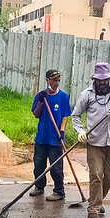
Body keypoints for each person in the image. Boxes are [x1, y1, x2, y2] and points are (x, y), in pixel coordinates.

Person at [71, 62, 110, 218]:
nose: (103, 83)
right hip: (94, 142)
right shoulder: (87, 94)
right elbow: (75, 116)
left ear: (109, 79)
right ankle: (94, 208)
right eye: (100, 81)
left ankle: (96, 200)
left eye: (105, 80)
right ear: (95, 80)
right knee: (96, 175)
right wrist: (80, 131)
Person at [29, 69, 72, 201]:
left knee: (56, 167)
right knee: (39, 164)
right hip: (42, 137)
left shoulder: (63, 96)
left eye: (58, 80)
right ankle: (39, 187)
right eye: (54, 80)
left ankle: (59, 192)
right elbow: (36, 114)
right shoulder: (41, 95)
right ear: (47, 80)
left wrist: (62, 130)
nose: (56, 83)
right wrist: (41, 101)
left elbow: (65, 115)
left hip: (56, 139)